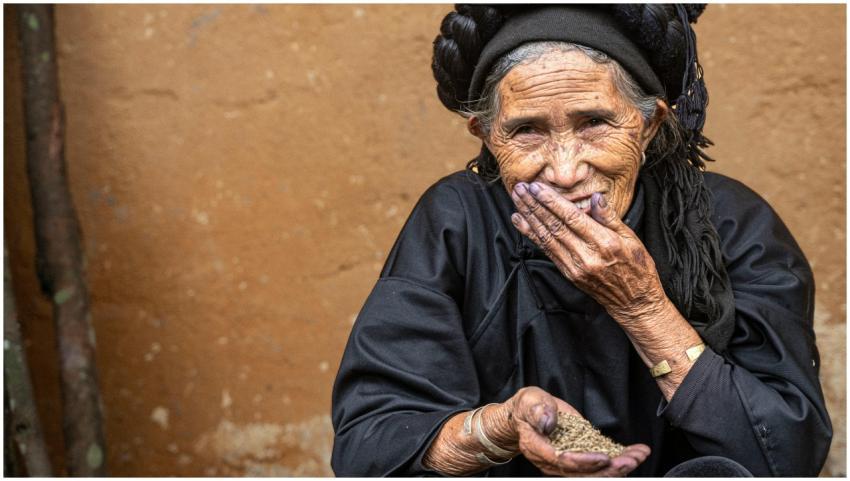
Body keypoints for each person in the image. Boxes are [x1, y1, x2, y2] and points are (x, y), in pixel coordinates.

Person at [331, 4, 832, 477]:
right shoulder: (456, 221)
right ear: (486, 135)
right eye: (526, 130)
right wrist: (498, 428)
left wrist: (643, 307)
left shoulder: (729, 224)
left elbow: (786, 455)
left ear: (649, 124)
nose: (566, 170)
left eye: (594, 123)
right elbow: (370, 443)